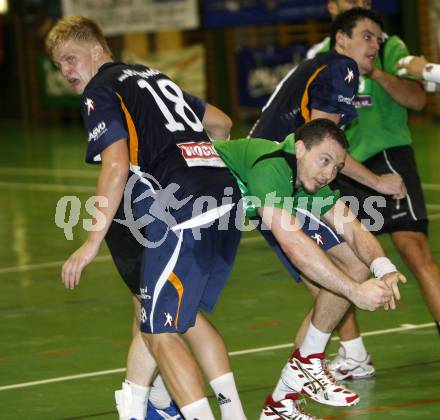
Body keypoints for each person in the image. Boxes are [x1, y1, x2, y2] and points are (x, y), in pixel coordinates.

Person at [46, 15, 247, 420]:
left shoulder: (100, 90)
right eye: (59, 65)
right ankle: (215, 411)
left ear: (97, 50)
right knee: (178, 317)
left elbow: (115, 165)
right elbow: (221, 123)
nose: (66, 71)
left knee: (158, 330)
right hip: (225, 200)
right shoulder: (152, 77)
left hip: (180, 207)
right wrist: (201, 163)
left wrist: (90, 242)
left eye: (70, 58)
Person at [213, 119, 406, 419]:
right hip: (180, 203)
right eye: (325, 160)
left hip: (221, 216)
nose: (329, 174)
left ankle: (285, 396)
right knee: (174, 320)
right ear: (300, 148)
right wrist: (355, 293)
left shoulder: (307, 178)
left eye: (337, 168)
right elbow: (292, 244)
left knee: (355, 264)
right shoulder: (273, 166)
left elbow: (352, 229)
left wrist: (384, 268)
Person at [306, 1, 440, 382]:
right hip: (338, 166)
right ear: (333, 7)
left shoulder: (389, 45)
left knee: (414, 247)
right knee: (334, 263)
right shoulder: (316, 58)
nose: (361, 4)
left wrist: (376, 72)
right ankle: (354, 354)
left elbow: (418, 100)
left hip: (387, 159)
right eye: (352, 0)